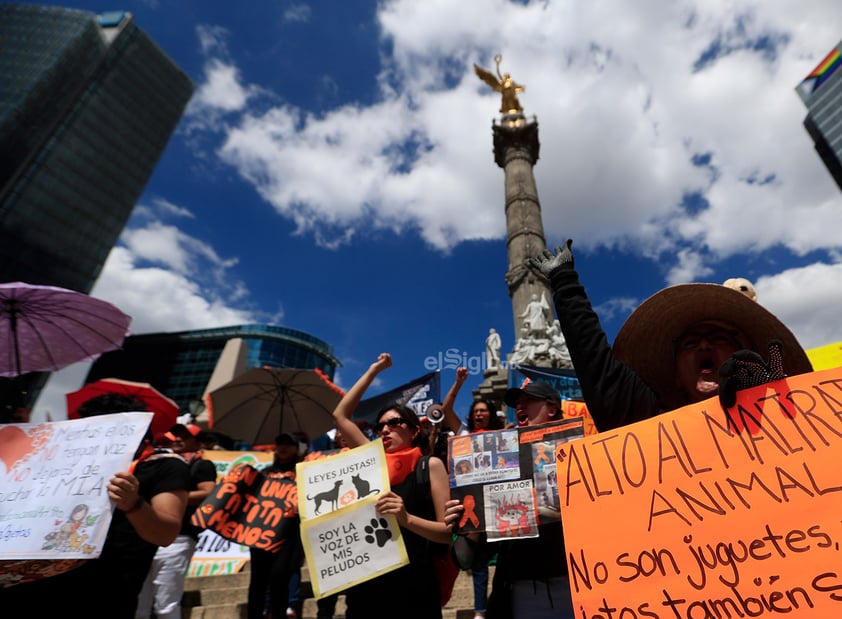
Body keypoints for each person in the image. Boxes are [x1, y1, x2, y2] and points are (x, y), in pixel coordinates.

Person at [529, 240, 813, 430]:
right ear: (675, 374)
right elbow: (598, 368)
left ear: (752, 353)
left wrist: (771, 406)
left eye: (719, 337)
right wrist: (564, 283)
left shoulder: (793, 417)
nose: (703, 343)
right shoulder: (651, 421)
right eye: (690, 342)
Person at [0, 393, 190, 618]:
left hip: (104, 595)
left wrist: (133, 504)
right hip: (29, 586)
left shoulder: (163, 467)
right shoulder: (61, 464)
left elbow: (165, 533)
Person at [332, 353, 451, 619]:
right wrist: (374, 370)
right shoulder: (368, 460)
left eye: (394, 423)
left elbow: (446, 533)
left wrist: (406, 518)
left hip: (415, 587)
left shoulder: (429, 466)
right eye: (380, 426)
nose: (385, 430)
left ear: (414, 430)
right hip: (366, 586)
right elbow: (341, 415)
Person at [445, 381, 575, 618]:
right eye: (517, 404)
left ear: (552, 409)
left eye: (528, 401)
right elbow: (465, 558)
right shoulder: (499, 464)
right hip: (517, 589)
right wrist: (466, 526)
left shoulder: (582, 454)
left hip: (576, 584)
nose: (519, 407)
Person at [439, 368, 504, 619]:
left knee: (501, 559)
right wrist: (458, 383)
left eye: (483, 411)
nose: (479, 414)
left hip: (498, 502)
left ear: (490, 415)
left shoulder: (501, 437)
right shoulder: (463, 433)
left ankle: (500, 606)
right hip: (472, 504)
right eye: (476, 411)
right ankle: (480, 612)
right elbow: (445, 411)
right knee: (477, 563)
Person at [136, 423, 217, 619]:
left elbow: (209, 492)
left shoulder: (201, 465)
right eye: (176, 435)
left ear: (197, 443)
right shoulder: (159, 463)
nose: (178, 439)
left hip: (178, 540)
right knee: (139, 604)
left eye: (185, 436)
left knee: (166, 604)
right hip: (146, 537)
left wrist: (169, 496)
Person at [247, 432, 303, 619]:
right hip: (261, 534)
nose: (283, 447)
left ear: (296, 448)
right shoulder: (264, 472)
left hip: (288, 535)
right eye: (280, 443)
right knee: (257, 582)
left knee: (280, 578)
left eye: (288, 444)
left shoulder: (303, 471)